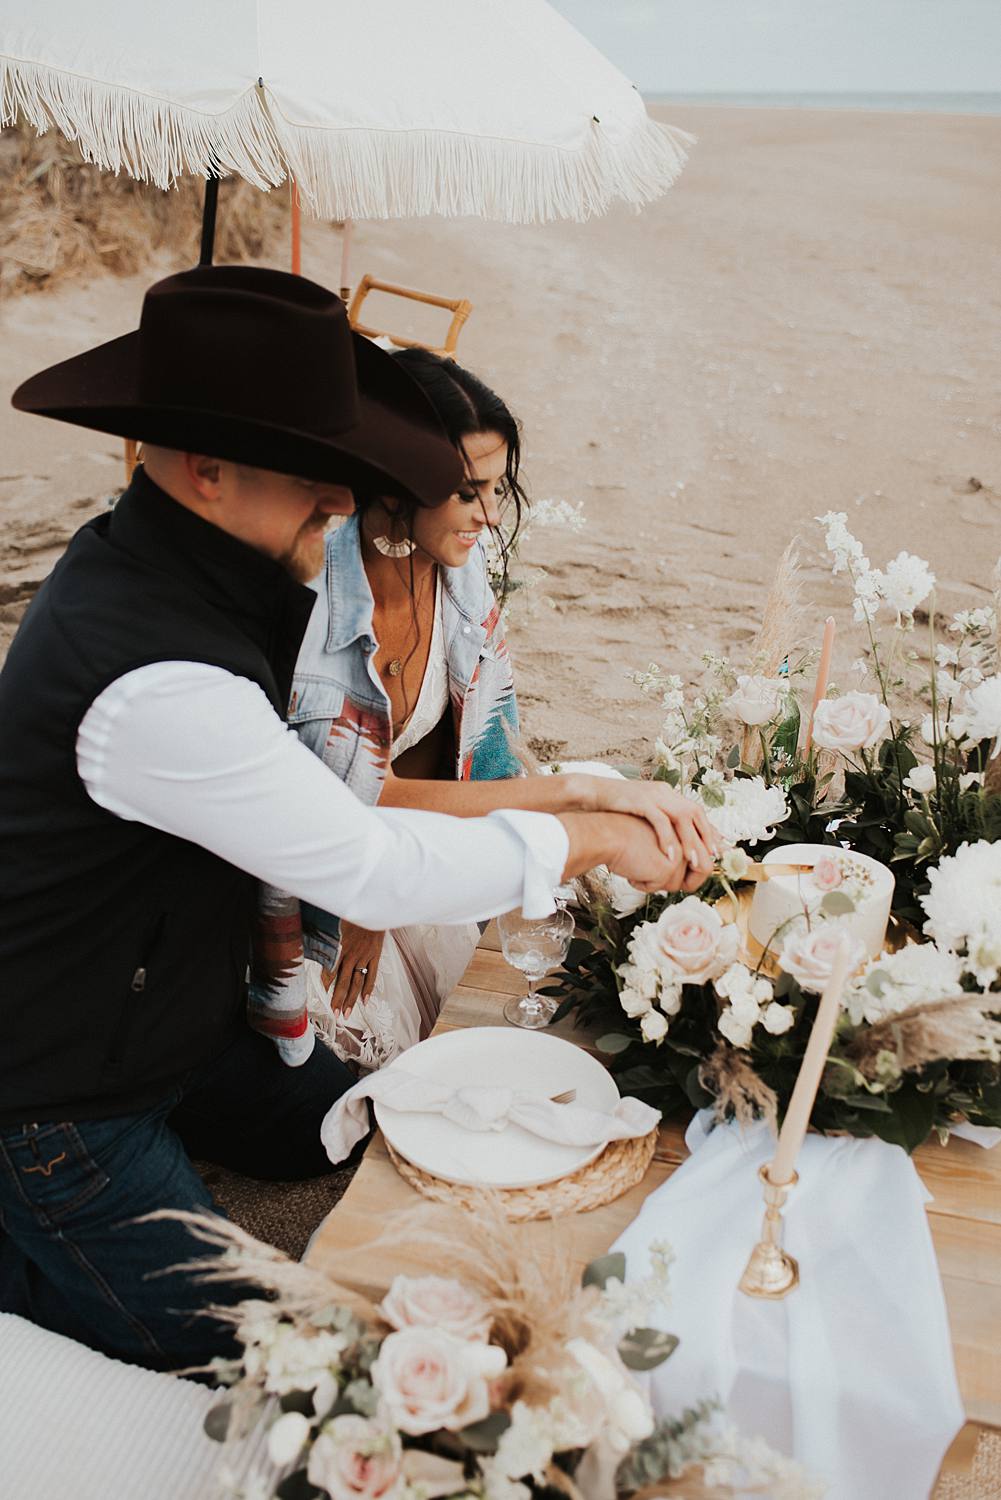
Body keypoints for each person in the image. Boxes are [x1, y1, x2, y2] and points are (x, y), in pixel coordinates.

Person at [0, 265, 708, 1374]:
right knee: (280, 1359)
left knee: (368, 1124)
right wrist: (594, 838)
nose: (340, 502)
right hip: (53, 1103)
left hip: (176, 1025)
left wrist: (568, 794)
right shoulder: (152, 677)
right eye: (313, 474)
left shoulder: (189, 569)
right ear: (204, 467)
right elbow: (364, 863)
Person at [250, 350, 717, 1069]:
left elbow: (481, 750)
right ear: (400, 482)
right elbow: (341, 806)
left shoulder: (459, 580)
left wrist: (583, 802)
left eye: (498, 489)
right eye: (469, 492)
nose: (490, 516)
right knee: (385, 1061)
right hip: (317, 885)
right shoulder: (313, 596)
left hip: (416, 838)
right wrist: (578, 794)